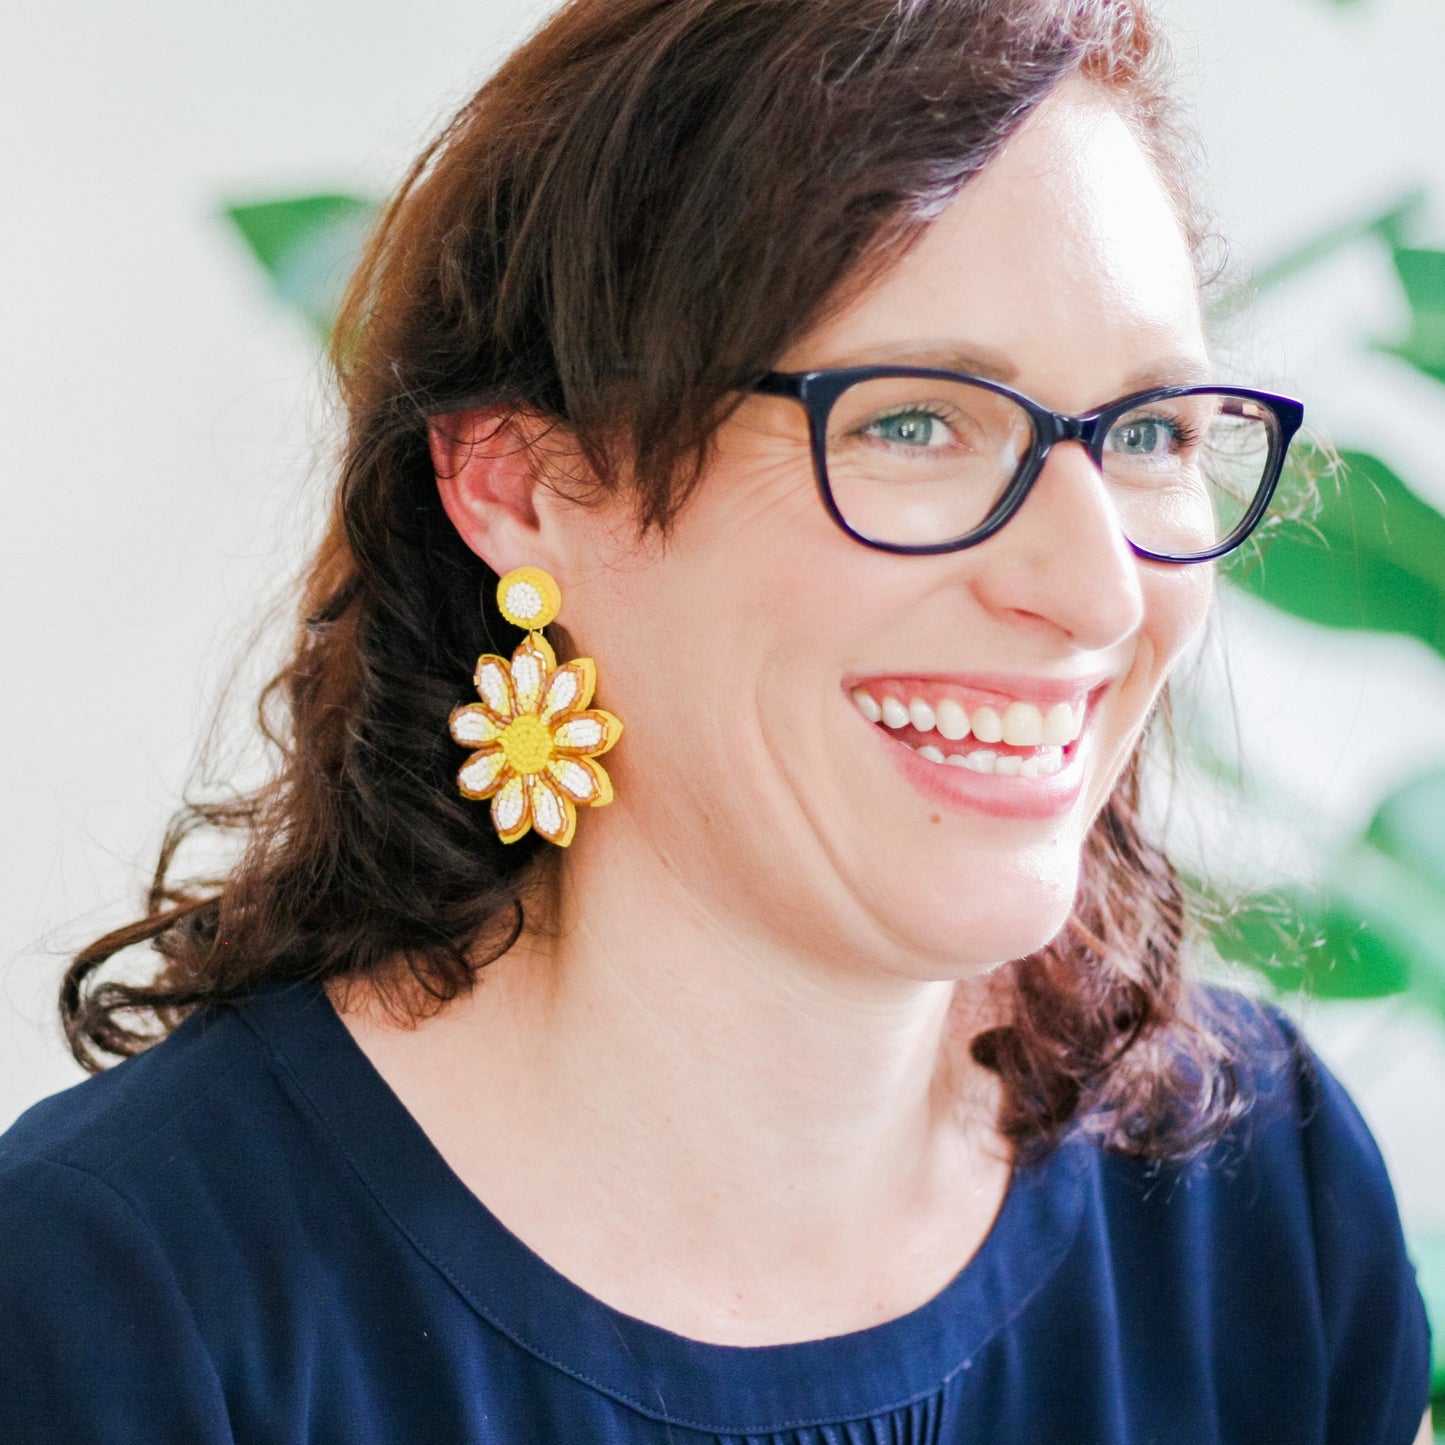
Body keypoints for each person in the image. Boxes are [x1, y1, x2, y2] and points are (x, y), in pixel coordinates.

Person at [0, 0, 1433, 1439]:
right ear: (518, 481)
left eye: (1145, 434)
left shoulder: (1264, 1202)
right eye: (914, 421)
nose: (1094, 590)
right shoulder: (119, 1299)